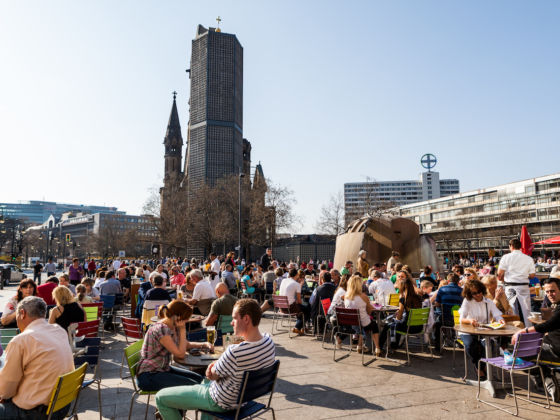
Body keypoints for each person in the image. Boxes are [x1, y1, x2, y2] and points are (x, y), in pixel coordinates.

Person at [155, 299, 276, 420]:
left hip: (221, 402)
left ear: (246, 319)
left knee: (160, 398)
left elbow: (212, 375)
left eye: (234, 318)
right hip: (244, 399)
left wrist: (213, 366)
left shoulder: (235, 352)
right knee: (203, 381)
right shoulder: (268, 342)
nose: (231, 323)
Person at [0, 296, 75, 419]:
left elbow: (6, 390)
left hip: (37, 413)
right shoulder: (59, 331)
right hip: (62, 405)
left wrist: (4, 394)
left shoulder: (21, 341)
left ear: (22, 313)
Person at [136, 300, 207, 392]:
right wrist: (182, 329)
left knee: (200, 379)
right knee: (194, 385)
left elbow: (185, 344)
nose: (187, 321)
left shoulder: (172, 326)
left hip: (162, 369)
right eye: (186, 318)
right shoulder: (162, 329)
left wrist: (204, 344)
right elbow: (180, 355)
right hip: (149, 375)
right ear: (178, 317)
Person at [512, 277, 560, 401]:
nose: (550, 294)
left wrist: (523, 331)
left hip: (555, 351)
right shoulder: (555, 305)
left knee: (518, 353)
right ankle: (547, 377)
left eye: (553, 291)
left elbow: (547, 325)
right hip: (551, 344)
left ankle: (546, 378)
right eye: (547, 292)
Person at [458, 279, 504, 380]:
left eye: (479, 292)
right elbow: (461, 319)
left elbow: (497, 315)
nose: (478, 295)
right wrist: (470, 321)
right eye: (474, 293)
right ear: (469, 294)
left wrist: (500, 320)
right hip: (468, 331)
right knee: (470, 345)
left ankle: (481, 368)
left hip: (484, 331)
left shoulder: (488, 302)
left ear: (482, 290)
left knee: (488, 346)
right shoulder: (467, 301)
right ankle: (479, 368)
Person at [379, 271, 423, 352]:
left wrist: (395, 318)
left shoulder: (403, 299)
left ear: (403, 287)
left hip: (408, 327)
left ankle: (380, 347)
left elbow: (399, 317)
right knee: (398, 324)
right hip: (419, 327)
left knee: (389, 325)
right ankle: (394, 346)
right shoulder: (418, 298)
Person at [498, 238, 536, 326]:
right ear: (520, 247)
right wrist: (523, 275)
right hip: (523, 286)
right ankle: (529, 329)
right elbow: (532, 275)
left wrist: (503, 279)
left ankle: (515, 329)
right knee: (527, 310)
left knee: (512, 309)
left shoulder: (506, 257)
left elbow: (499, 274)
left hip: (510, 286)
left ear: (510, 246)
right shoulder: (528, 258)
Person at [344, 274, 381, 355]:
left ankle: (359, 346)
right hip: (362, 323)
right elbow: (370, 310)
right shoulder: (363, 296)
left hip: (351, 324)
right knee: (374, 325)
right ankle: (377, 348)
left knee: (362, 324)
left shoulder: (346, 296)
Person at [432, 273, 464, 349]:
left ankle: (438, 345)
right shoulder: (462, 291)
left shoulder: (442, 289)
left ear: (448, 281)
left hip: (445, 319)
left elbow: (437, 304)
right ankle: (454, 339)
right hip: (458, 320)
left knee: (437, 324)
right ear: (458, 281)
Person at [279, 268, 309, 335]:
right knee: (307, 310)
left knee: (301, 309)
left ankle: (302, 327)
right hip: (290, 308)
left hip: (281, 307)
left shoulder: (283, 280)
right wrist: (300, 285)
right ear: (297, 275)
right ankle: (297, 327)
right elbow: (299, 300)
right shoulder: (296, 284)